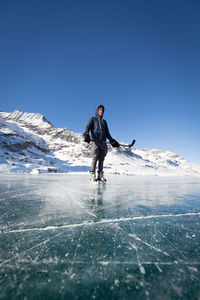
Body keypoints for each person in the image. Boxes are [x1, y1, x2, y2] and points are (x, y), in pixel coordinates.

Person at [83, 105, 119, 182]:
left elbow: (107, 132)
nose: (101, 111)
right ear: (97, 111)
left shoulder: (104, 122)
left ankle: (100, 174)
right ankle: (92, 173)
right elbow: (87, 127)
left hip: (103, 142)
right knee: (95, 157)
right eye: (99, 110)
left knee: (102, 159)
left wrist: (111, 139)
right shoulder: (93, 119)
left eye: (102, 110)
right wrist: (86, 134)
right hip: (95, 142)